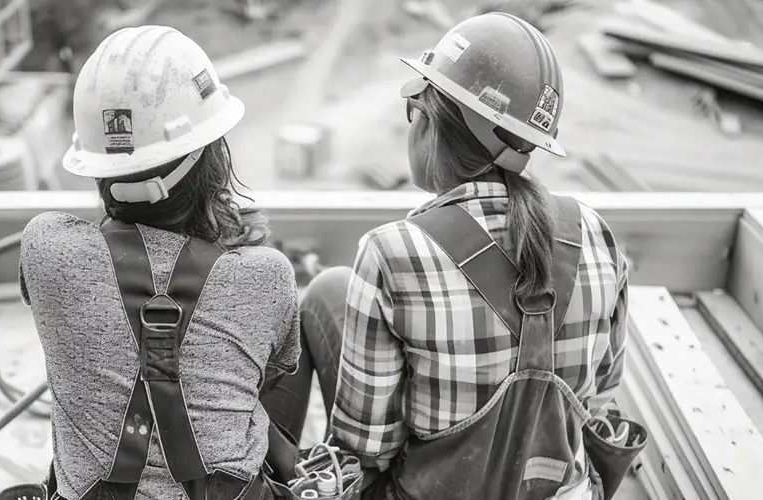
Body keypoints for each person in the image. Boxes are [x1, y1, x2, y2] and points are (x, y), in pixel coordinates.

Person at [272, 13, 636, 500]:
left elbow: (368, 449)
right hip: (562, 491)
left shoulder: (392, 253)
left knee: (325, 291)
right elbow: (600, 397)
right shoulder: (594, 233)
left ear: (430, 122)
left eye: (414, 108)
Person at [17, 26, 301, 500]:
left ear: (96, 164)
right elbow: (273, 371)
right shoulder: (264, 275)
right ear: (210, 156)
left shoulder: (47, 248)